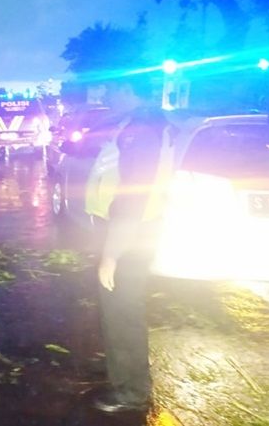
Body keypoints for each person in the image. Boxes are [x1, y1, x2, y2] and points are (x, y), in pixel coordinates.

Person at [87, 74, 174, 413]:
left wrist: (111, 252)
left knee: (123, 311)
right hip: (130, 231)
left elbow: (133, 195)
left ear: (127, 90)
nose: (107, 94)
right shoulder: (143, 124)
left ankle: (132, 389)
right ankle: (118, 369)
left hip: (130, 234)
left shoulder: (142, 129)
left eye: (112, 89)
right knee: (115, 309)